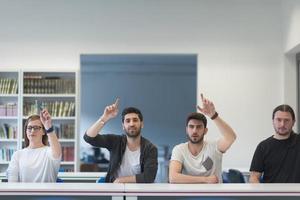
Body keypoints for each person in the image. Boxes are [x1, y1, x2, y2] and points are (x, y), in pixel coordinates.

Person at [83, 98, 158, 183]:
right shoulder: (115, 141)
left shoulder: (150, 148)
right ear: (123, 126)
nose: (132, 124)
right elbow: (88, 137)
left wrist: (121, 180)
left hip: (139, 192)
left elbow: (149, 177)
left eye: (135, 120)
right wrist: (105, 117)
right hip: (114, 191)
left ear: (142, 124)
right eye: (128, 121)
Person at [169, 94, 237, 183]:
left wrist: (214, 116)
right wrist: (206, 180)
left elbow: (231, 137)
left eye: (199, 127)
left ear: (205, 130)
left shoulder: (214, 146)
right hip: (189, 195)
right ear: (186, 130)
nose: (194, 131)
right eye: (191, 126)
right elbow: (173, 178)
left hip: (214, 195)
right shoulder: (179, 149)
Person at [7, 109, 62, 182]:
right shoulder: (17, 155)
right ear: (26, 131)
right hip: (23, 193)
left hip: (48, 193)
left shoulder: (49, 152)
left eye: (36, 128)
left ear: (43, 131)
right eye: (29, 128)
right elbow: (12, 184)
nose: (32, 131)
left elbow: (57, 153)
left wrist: (48, 127)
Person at [249, 104, 300, 183]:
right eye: (279, 120)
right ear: (273, 121)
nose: (282, 124)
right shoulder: (263, 147)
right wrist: (261, 194)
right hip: (271, 194)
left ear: (293, 122)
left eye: (286, 120)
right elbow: (254, 177)